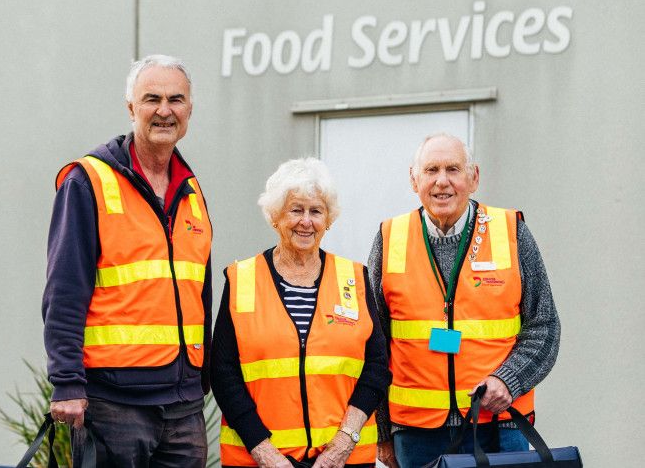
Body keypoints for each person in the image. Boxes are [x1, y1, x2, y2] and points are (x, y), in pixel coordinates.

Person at [42, 55, 212, 467]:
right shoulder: (88, 181)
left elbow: (199, 291)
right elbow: (64, 292)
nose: (164, 110)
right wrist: (66, 382)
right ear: (131, 107)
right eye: (151, 98)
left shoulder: (190, 189)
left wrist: (200, 380)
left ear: (190, 109)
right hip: (114, 401)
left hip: (184, 402)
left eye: (176, 99)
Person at [368, 133, 561, 468]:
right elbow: (373, 344)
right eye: (431, 170)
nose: (442, 182)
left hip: (499, 424)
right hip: (415, 434)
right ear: (414, 180)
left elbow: (544, 326)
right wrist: (382, 432)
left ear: (474, 178)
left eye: (453, 169)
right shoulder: (389, 238)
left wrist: (508, 379)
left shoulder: (511, 231)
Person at [211, 158, 391, 468]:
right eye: (296, 210)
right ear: (275, 216)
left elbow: (376, 367)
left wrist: (344, 441)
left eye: (316, 211)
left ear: (328, 219)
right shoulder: (243, 279)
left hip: (343, 460)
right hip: (259, 461)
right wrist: (264, 453)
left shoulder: (353, 277)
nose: (306, 221)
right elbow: (223, 373)